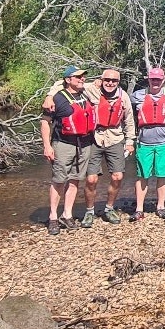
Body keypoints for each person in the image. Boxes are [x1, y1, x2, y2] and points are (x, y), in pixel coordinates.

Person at [44, 67, 136, 226]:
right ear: (101, 80)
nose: (110, 83)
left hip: (115, 137)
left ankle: (109, 208)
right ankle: (89, 211)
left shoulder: (123, 96)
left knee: (117, 176)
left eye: (114, 80)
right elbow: (64, 84)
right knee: (91, 179)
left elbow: (128, 120)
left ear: (119, 82)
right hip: (94, 137)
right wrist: (50, 96)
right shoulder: (90, 89)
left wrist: (130, 141)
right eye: (107, 80)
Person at [40, 65, 97, 235]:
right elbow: (45, 122)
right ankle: (53, 217)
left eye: (83, 77)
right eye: (78, 77)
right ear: (68, 80)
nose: (82, 79)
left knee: (75, 179)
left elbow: (99, 83)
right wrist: (47, 146)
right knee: (58, 180)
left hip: (84, 143)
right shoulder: (56, 98)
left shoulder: (85, 93)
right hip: (63, 143)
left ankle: (67, 214)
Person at [132, 67, 165, 220]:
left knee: (163, 174)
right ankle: (139, 208)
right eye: (152, 79)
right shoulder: (137, 96)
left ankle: (161, 205)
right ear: (148, 79)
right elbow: (123, 107)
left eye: (158, 79)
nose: (155, 82)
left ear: (163, 80)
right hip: (144, 141)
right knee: (142, 174)